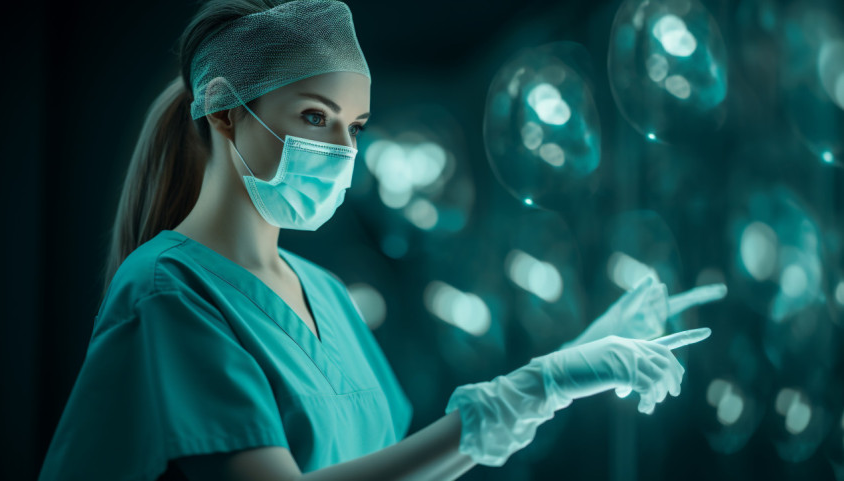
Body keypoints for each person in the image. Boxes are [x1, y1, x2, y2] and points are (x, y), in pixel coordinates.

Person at [36, 1, 727, 480]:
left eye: (356, 126)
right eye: (315, 116)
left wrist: (561, 373)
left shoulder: (327, 298)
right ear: (222, 110)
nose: (341, 150)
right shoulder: (171, 292)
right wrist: (528, 386)